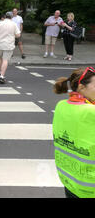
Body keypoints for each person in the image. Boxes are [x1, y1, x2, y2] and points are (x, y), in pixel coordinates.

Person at [53, 67, 95, 198]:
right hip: (90, 187)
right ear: (82, 87)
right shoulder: (91, 112)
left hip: (70, 181)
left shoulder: (61, 105)